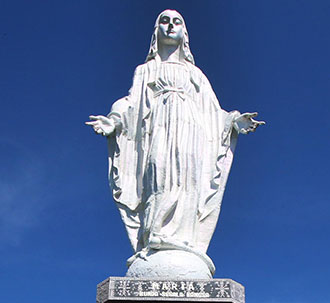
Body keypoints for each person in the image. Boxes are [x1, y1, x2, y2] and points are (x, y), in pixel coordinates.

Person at [87, 9, 262, 276]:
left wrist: (235, 121)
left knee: (189, 180)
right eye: (164, 22)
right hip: (157, 130)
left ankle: (185, 242)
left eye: (176, 22)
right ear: (156, 32)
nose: (170, 26)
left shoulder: (196, 75)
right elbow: (130, 103)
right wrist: (114, 121)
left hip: (192, 134)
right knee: (159, 175)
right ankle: (156, 239)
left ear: (184, 33)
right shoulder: (146, 70)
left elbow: (214, 112)